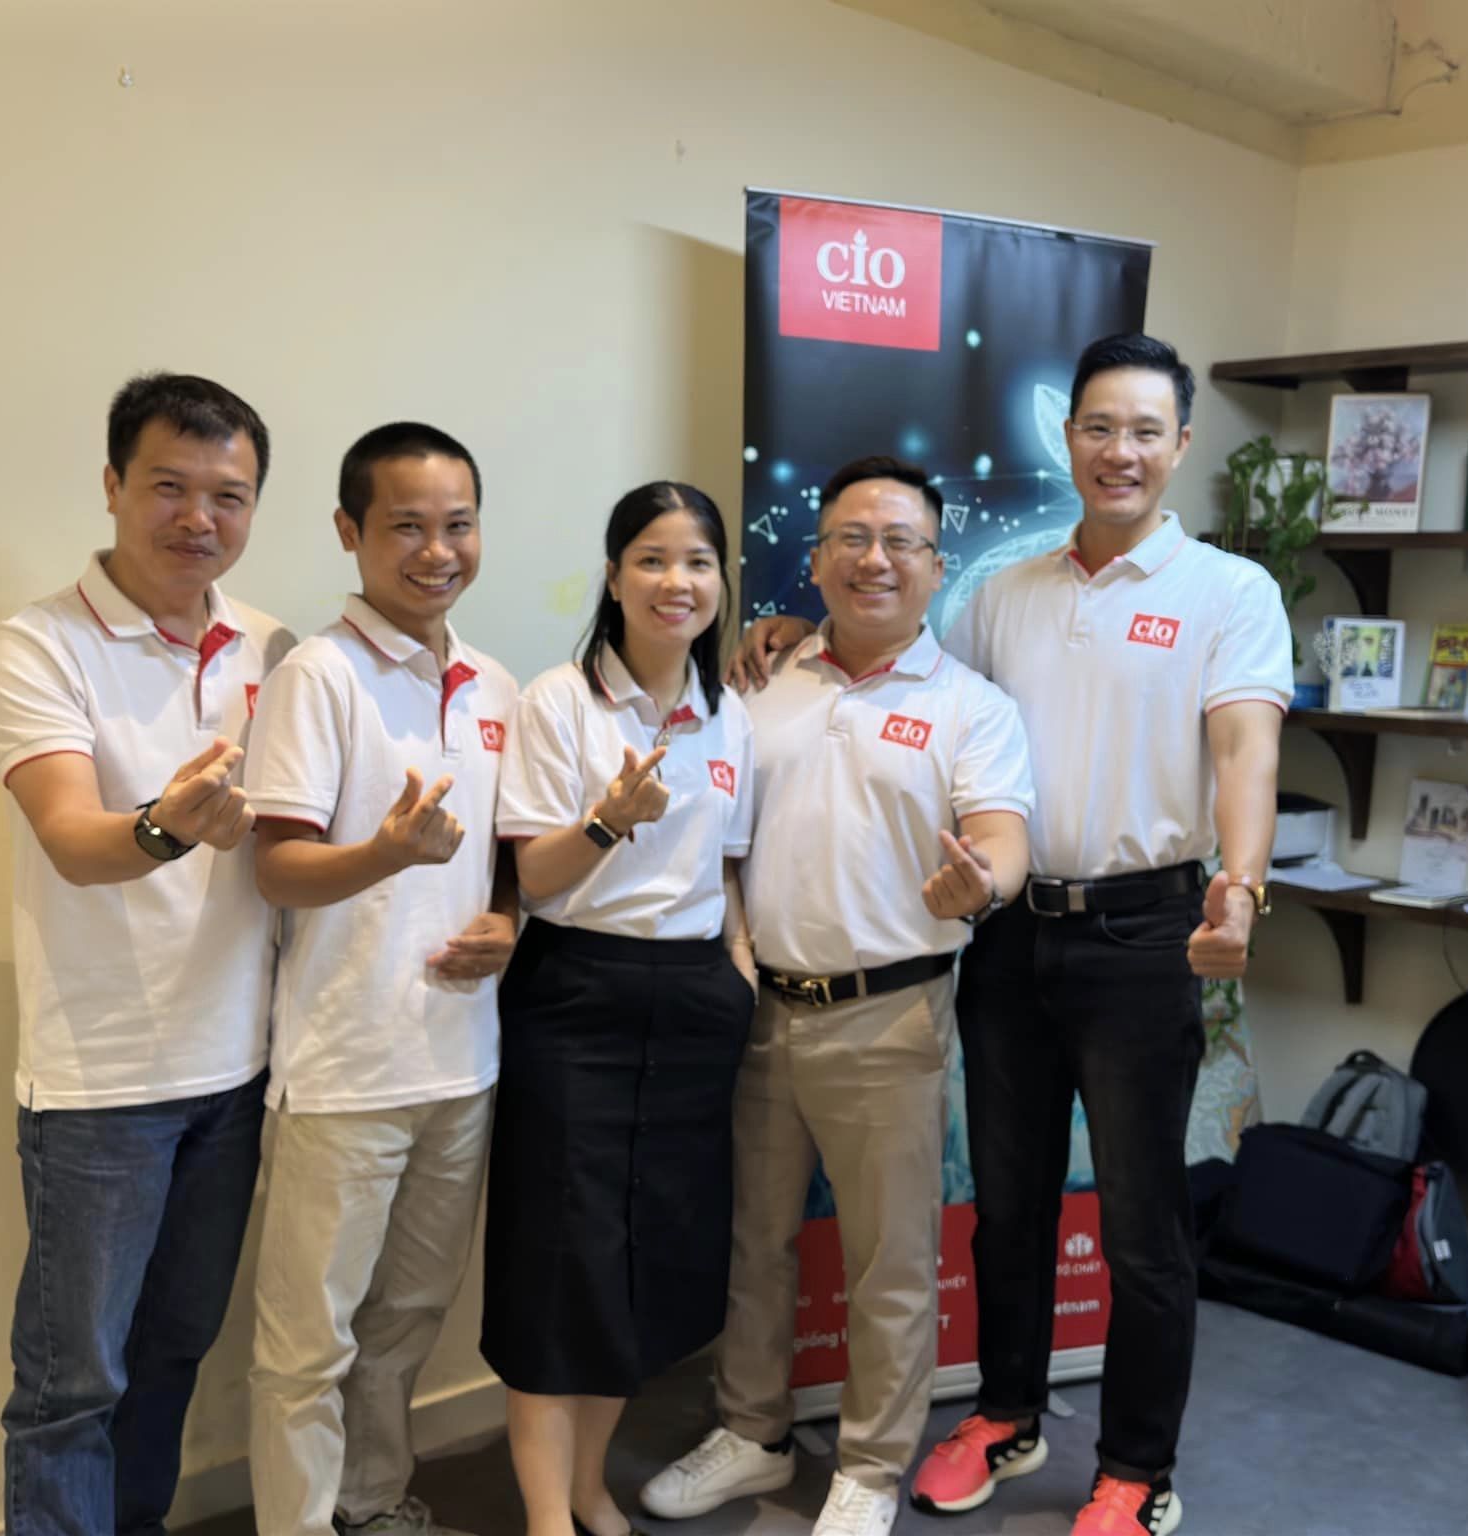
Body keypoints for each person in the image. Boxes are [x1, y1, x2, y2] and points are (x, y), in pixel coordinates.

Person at [733, 337, 1290, 1535]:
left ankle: (1135, 1470)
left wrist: (1240, 887)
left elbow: (1245, 746)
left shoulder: (1228, 592)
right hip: (1005, 938)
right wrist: (792, 629)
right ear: (1067, 437)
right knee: (1007, 1206)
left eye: (1144, 431)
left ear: (1179, 446)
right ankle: (1004, 1414)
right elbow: (921, 678)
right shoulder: (1002, 591)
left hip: (1145, 928)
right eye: (1098, 427)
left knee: (1139, 1228)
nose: (1118, 451)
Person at [644, 456, 1033, 1536]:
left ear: (934, 566)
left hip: (890, 1015)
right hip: (758, 1006)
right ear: (813, 560)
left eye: (900, 541)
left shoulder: (972, 707)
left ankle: (868, 1467)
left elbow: (1001, 835)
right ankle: (752, 1434)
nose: (875, 560)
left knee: (887, 1264)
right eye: (851, 539)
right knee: (753, 1241)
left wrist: (984, 883)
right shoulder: (756, 682)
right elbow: (714, 831)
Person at [0, 372, 285, 1536]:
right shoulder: (39, 645)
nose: (197, 518)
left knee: (171, 1355)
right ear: (112, 485)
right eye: (168, 486)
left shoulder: (271, 646)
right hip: (99, 1085)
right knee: (73, 1386)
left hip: (237, 1069)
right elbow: (72, 839)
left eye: (227, 495)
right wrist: (165, 824)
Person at [243, 423, 519, 1536]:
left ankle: (370, 1503)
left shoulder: (495, 684)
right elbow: (277, 869)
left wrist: (507, 920)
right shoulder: (317, 676)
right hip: (343, 1071)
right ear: (350, 532)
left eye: (457, 525)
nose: (436, 551)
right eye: (406, 526)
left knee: (406, 1318)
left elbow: (505, 863)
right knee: (306, 1348)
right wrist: (387, 856)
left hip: (462, 1063)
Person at [482, 481, 758, 1536]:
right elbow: (535, 877)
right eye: (650, 558)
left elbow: (727, 868)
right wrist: (607, 821)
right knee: (561, 1259)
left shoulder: (731, 714)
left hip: (690, 1002)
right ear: (612, 576)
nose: (674, 581)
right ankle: (546, 1516)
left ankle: (589, 1483)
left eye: (697, 561)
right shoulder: (558, 702)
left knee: (642, 1260)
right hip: (576, 996)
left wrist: (735, 968)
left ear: (720, 580)